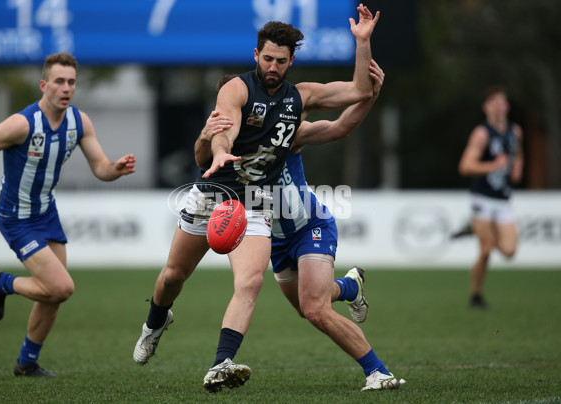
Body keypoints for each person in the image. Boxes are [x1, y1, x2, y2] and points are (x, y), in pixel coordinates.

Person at [132, 4, 380, 393]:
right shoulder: (237, 87)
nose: (273, 66)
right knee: (173, 276)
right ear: (255, 55)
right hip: (212, 193)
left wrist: (362, 43)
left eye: (281, 60)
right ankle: (156, 322)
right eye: (267, 58)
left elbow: (359, 92)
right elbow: (223, 127)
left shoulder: (301, 97)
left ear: (291, 60)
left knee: (249, 283)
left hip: (254, 202)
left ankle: (221, 363)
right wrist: (219, 149)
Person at [199, 59, 404, 391]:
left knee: (315, 308)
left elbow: (339, 128)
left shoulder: (283, 134)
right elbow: (200, 159)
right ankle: (350, 287)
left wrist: (370, 96)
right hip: (274, 240)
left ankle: (378, 373)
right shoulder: (222, 144)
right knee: (308, 306)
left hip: (310, 227)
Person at [0, 52, 136, 377]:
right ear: (44, 85)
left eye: (71, 82)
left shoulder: (79, 122)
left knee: (53, 297)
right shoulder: (22, 124)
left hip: (46, 212)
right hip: (16, 217)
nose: (66, 87)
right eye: (59, 81)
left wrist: (115, 169)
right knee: (61, 288)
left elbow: (100, 167)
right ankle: (1, 283)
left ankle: (26, 363)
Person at [458, 85, 523, 309]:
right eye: (493, 103)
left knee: (509, 251)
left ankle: (476, 228)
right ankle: (476, 296)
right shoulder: (482, 133)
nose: (497, 107)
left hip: (503, 199)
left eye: (501, 102)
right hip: (482, 198)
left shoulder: (515, 132)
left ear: (507, 106)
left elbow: (518, 155)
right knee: (485, 251)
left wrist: (516, 168)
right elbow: (466, 166)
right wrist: (493, 166)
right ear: (486, 107)